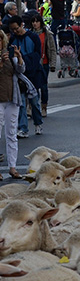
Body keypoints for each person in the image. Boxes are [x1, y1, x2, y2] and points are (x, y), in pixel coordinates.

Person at [7, 16, 44, 138]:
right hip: (19, 75)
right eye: (12, 30)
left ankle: (38, 123)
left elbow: (38, 54)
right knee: (21, 103)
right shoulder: (13, 39)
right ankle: (23, 128)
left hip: (33, 74)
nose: (15, 31)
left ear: (21, 25)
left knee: (34, 102)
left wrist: (25, 60)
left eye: (16, 28)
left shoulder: (32, 37)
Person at [0, 30, 24, 178]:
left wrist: (19, 58)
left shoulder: (8, 54)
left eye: (1, 40)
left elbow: (22, 70)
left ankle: (12, 167)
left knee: (11, 134)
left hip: (12, 98)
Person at [27, 13, 54, 117]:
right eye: (33, 22)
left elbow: (52, 49)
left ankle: (44, 107)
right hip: (33, 64)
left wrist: (53, 64)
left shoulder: (47, 34)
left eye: (37, 21)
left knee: (43, 86)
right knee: (32, 86)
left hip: (44, 63)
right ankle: (31, 106)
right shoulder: (29, 34)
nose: (35, 24)